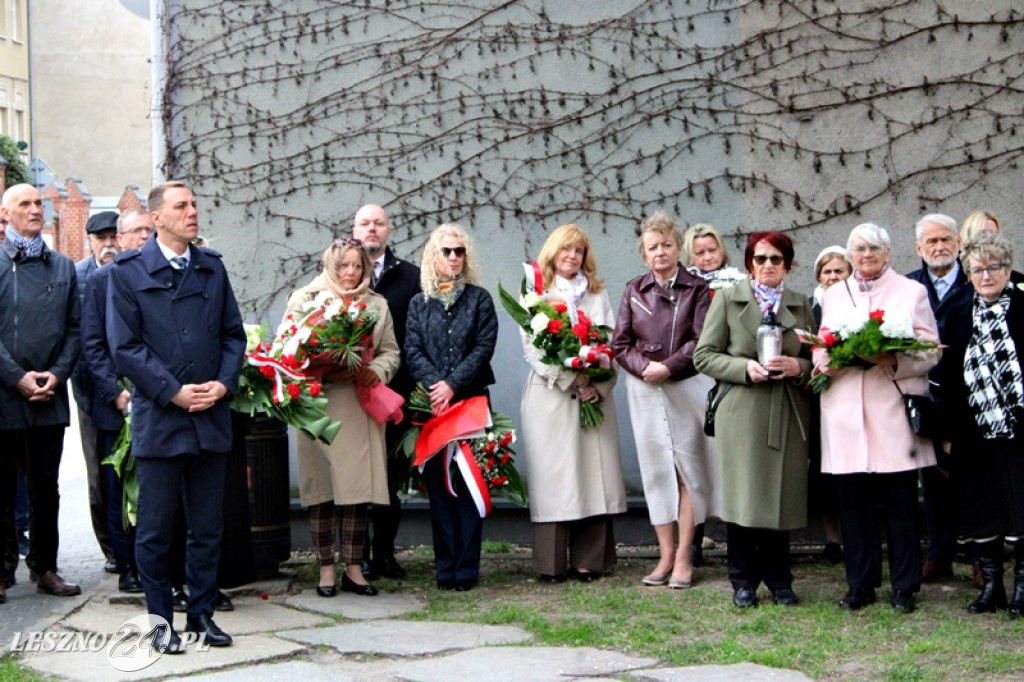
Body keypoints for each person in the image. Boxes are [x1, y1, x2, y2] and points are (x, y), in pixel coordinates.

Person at [107, 181, 245, 651]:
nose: (192, 212)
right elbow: (125, 349)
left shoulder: (211, 267)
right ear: (158, 218)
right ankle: (159, 622)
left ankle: (202, 615)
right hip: (162, 419)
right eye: (182, 206)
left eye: (194, 205)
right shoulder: (127, 272)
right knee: (156, 529)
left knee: (208, 526)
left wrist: (224, 383)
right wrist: (173, 393)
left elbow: (233, 336)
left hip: (210, 415)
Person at [815, 223, 940, 614]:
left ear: (888, 254)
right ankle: (860, 584)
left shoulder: (912, 291)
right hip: (845, 413)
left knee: (900, 506)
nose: (866, 255)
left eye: (874, 248)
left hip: (892, 411)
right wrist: (831, 361)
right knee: (853, 507)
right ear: (849, 256)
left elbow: (931, 350)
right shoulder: (835, 294)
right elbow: (820, 344)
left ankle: (905, 586)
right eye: (858, 249)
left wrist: (894, 358)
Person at [694, 231, 814, 608]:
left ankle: (780, 580)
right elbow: (705, 355)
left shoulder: (801, 304)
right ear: (749, 263)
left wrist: (799, 366)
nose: (767, 266)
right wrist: (744, 367)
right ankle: (743, 580)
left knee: (781, 495)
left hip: (786, 409)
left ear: (788, 265)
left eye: (775, 259)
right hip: (742, 410)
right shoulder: (728, 299)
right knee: (744, 497)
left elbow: (820, 359)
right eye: (760, 259)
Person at [284, 237, 400, 599]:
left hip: (357, 403)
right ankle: (325, 570)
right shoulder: (305, 299)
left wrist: (376, 371)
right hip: (315, 404)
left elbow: (391, 352)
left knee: (354, 491)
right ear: (330, 266)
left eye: (357, 266)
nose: (350, 273)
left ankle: (354, 569)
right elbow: (286, 347)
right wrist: (318, 367)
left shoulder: (377, 305)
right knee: (321, 490)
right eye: (343, 266)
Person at [611, 211, 719, 590]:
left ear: (678, 249)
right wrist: (647, 368)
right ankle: (666, 554)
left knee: (688, 470)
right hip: (644, 389)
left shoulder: (699, 289)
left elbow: (703, 339)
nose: (660, 252)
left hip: (686, 384)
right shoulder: (632, 290)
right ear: (644, 253)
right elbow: (620, 344)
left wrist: (669, 367)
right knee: (657, 470)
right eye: (653, 246)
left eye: (667, 245)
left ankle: (686, 555)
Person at [521, 224, 626, 583]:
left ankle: (589, 561)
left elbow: (613, 344)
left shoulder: (597, 293)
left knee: (594, 475)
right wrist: (572, 377)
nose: (572, 256)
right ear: (552, 252)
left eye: (579, 250)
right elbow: (534, 350)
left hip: (592, 396)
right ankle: (550, 565)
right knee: (556, 478)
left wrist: (600, 384)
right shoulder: (536, 292)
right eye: (565, 249)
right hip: (552, 396)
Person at [0, 184, 82, 604]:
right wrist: (16, 377)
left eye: (38, 203)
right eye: (25, 205)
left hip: (49, 395)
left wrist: (55, 374)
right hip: (3, 394)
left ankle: (45, 567)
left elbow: (75, 329)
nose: (35, 210)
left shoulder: (63, 267)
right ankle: (1, 571)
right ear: (5, 215)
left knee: (45, 488)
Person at [934, 235, 1024, 617]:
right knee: (981, 507)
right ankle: (992, 587)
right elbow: (947, 378)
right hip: (972, 429)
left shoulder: (1023, 306)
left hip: (1020, 427)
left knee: (1021, 504)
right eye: (977, 269)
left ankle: (1023, 587)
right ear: (968, 273)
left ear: (1008, 269)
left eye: (994, 267)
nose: (985, 275)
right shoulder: (955, 312)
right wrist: (947, 434)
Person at [405, 223, 498, 591]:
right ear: (434, 256)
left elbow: (483, 347)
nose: (454, 257)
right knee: (440, 490)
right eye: (447, 251)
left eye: (459, 251)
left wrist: (453, 384)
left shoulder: (480, 299)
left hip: (470, 402)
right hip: (434, 408)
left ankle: (467, 569)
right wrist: (436, 387)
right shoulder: (418, 303)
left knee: (469, 487)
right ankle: (445, 568)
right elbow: (412, 349)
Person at [80, 207, 155, 595]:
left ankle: (156, 564)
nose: (143, 236)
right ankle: (125, 564)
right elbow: (92, 345)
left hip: (156, 398)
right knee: (116, 486)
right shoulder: (100, 281)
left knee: (154, 488)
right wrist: (116, 392)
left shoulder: (161, 276)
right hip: (115, 403)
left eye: (148, 229)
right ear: (120, 239)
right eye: (135, 231)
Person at [352, 203, 421, 581]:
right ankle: (356, 555)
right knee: (358, 479)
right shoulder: (341, 276)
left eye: (378, 223)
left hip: (396, 395)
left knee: (390, 480)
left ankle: (385, 554)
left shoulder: (411, 277)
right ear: (354, 230)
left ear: (389, 231)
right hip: (352, 396)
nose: (372, 229)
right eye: (365, 223)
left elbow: (417, 336)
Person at [904, 214, 973, 584]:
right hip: (926, 395)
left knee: (974, 476)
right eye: (930, 242)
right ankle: (940, 553)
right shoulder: (909, 287)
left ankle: (980, 557)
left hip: (969, 396)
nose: (939, 247)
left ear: (959, 243)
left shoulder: (974, 281)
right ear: (919, 249)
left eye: (945, 239)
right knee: (932, 477)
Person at [72, 210, 121, 573]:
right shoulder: (78, 276)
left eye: (111, 236)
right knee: (97, 477)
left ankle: (127, 544)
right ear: (90, 241)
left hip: (129, 391)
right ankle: (110, 549)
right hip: (90, 393)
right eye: (100, 238)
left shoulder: (129, 271)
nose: (107, 244)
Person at [809, 245, 852, 565]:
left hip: (852, 400)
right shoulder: (810, 311)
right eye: (827, 271)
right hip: (818, 403)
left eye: (839, 270)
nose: (833, 276)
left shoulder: (857, 307)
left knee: (851, 474)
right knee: (824, 474)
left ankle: (854, 535)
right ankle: (832, 539)